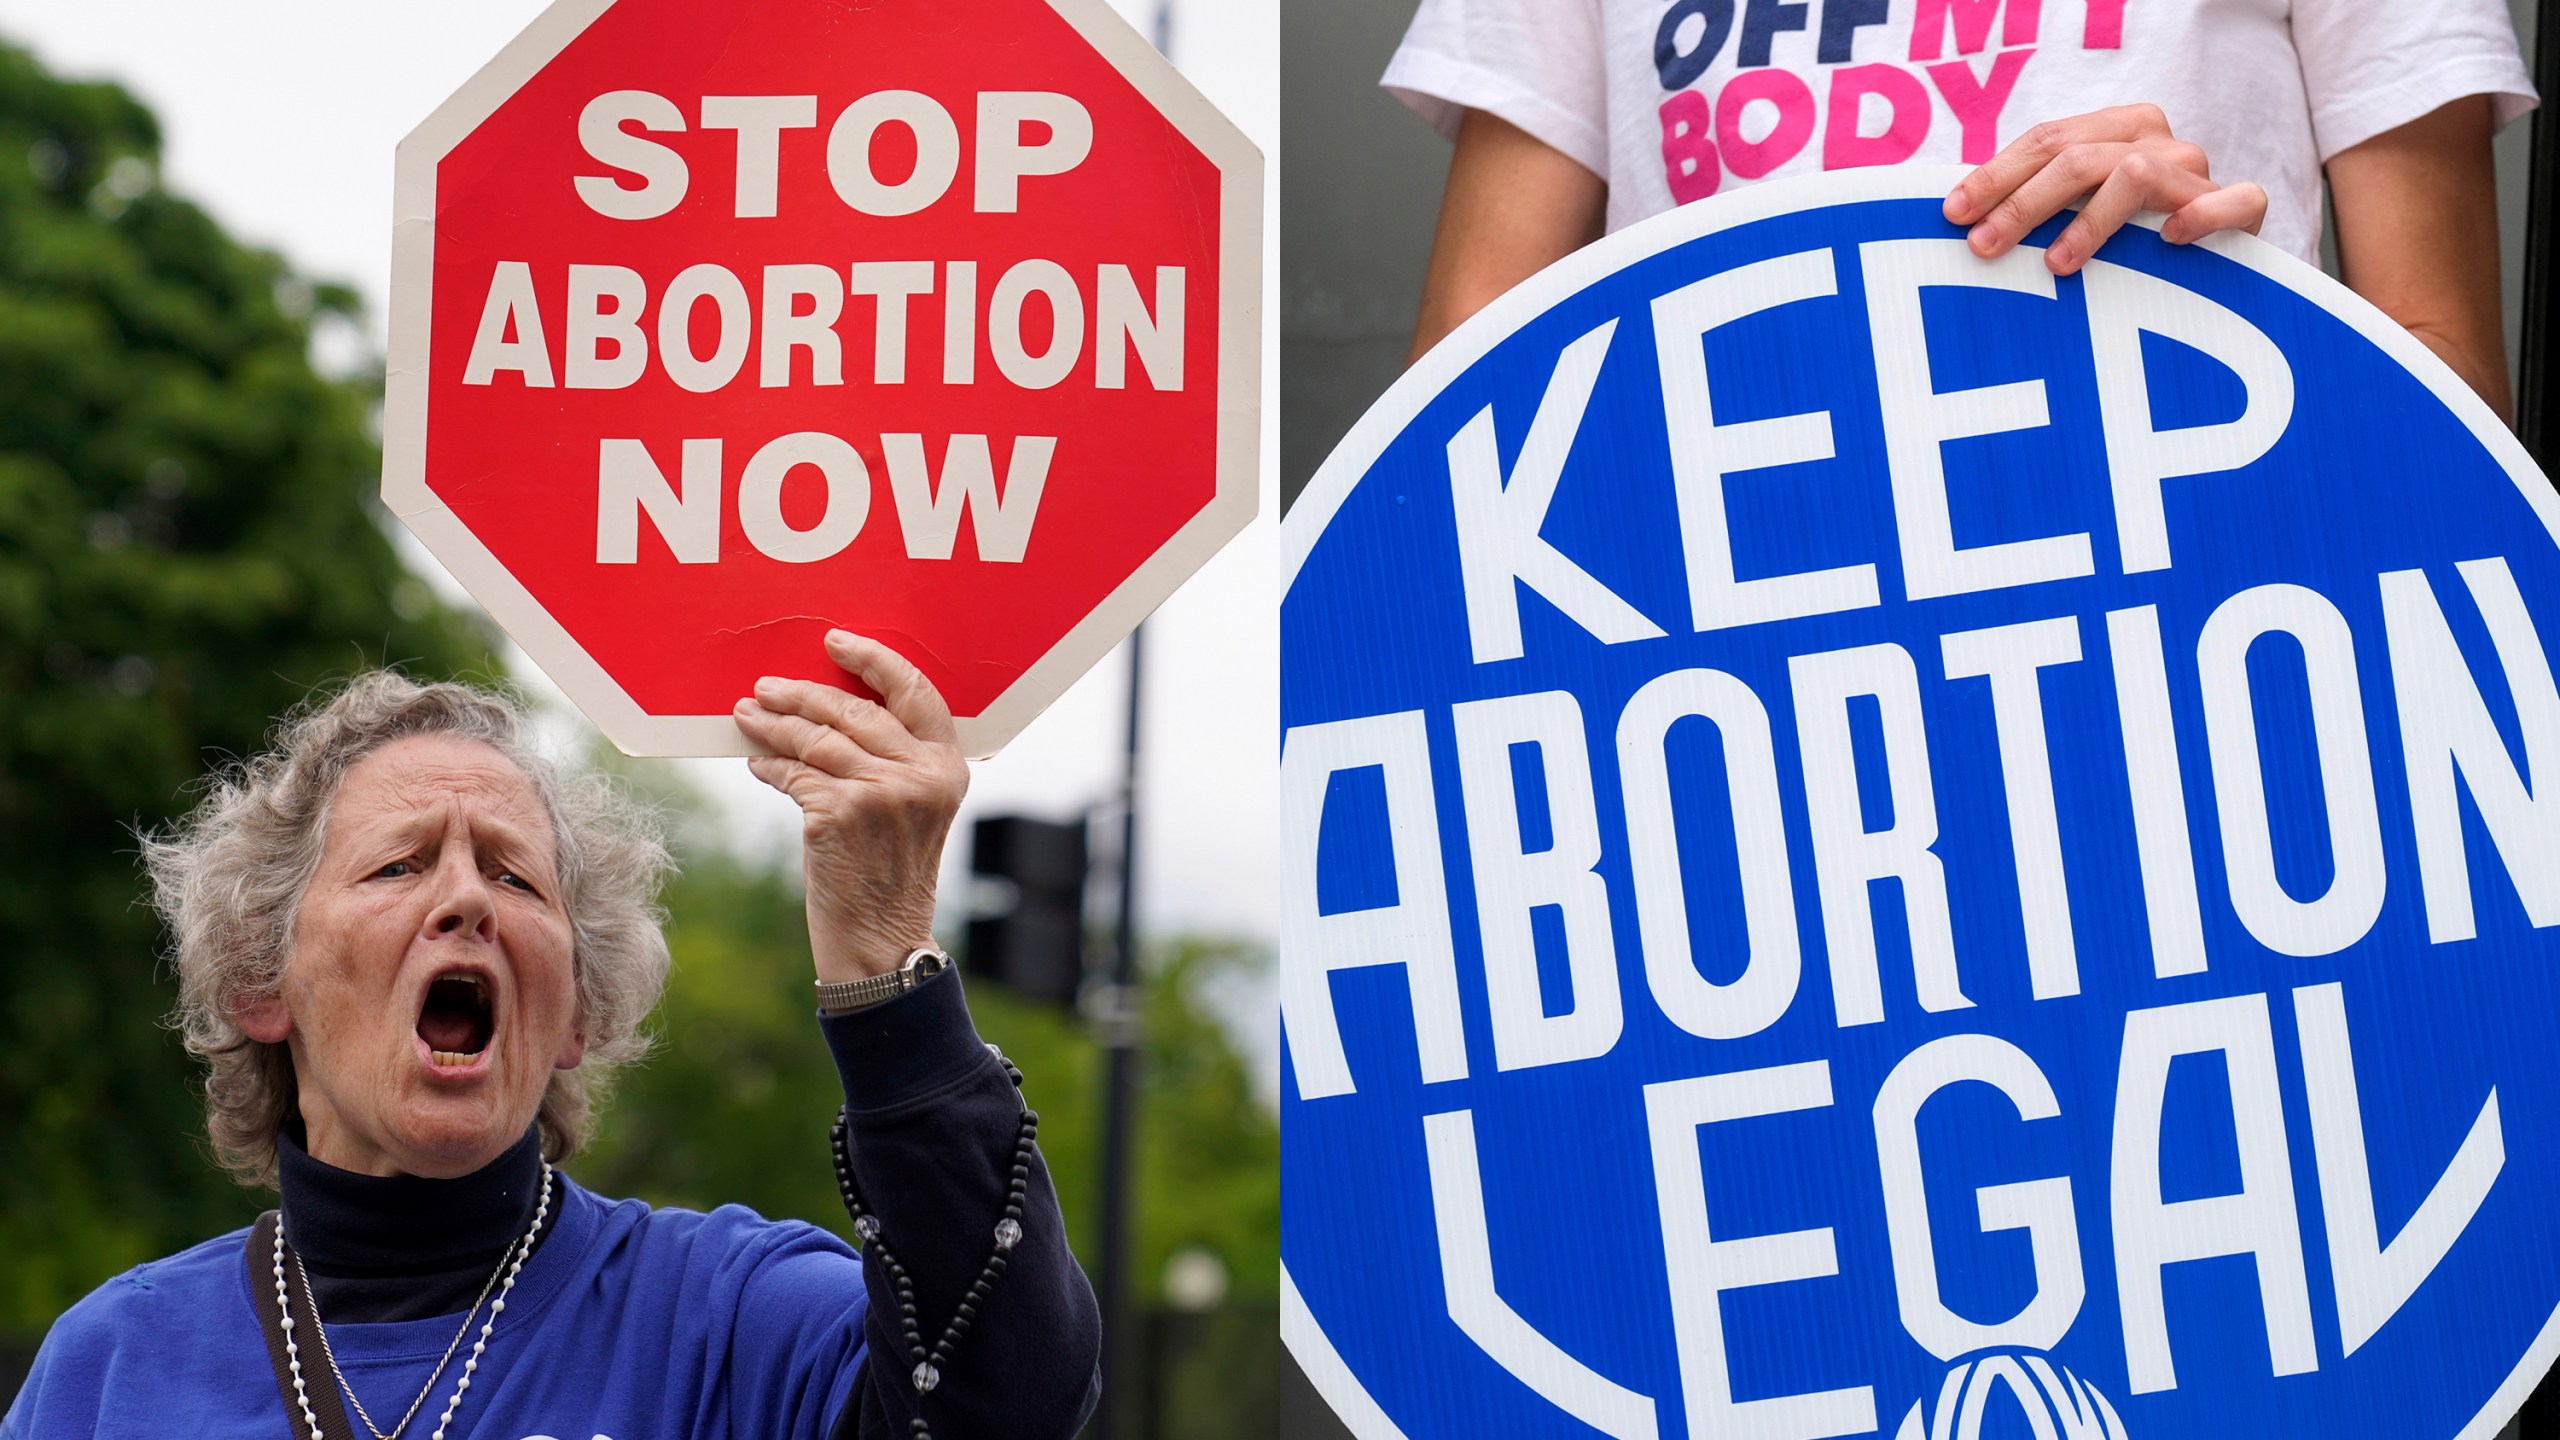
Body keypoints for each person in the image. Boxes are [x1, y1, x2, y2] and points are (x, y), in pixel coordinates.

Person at [0, 631, 1098, 1440]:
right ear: (258, 984)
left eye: (515, 875)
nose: (467, 899)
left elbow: (1011, 1401)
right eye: (398, 865)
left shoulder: (727, 1318)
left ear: (575, 1012)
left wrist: (882, 953)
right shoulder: (111, 1368)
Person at [1386, 0, 2535, 420]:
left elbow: (2462, 410)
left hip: (2198, 625)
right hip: (1722, 665)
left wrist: (2218, 291)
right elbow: (1450, 415)